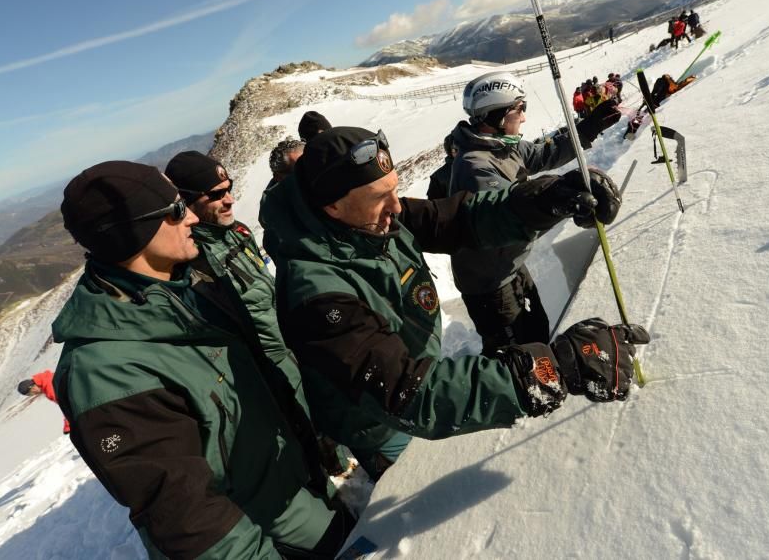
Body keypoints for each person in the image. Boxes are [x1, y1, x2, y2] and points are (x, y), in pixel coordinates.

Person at [260, 126, 647, 480]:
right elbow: (408, 393)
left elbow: (457, 218)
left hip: (418, 376)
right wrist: (549, 369)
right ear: (332, 206)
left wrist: (545, 199)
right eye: (380, 198)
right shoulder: (315, 295)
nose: (396, 208)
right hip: (382, 424)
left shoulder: (367, 220)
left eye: (395, 190)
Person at [52, 160, 353, 559]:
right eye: (176, 210)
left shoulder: (191, 286)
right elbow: (191, 522)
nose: (192, 217)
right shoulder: (104, 372)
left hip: (293, 486)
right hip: (257, 529)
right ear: (133, 233)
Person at [165, 150, 353, 478]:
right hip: (262, 368)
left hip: (290, 343)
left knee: (322, 411)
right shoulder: (191, 262)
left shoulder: (237, 231)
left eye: (229, 188)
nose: (230, 200)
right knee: (297, 433)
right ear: (188, 201)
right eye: (216, 194)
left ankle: (337, 465)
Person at [447, 71, 622, 357]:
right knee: (517, 355)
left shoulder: (502, 146)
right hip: (489, 282)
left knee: (536, 330)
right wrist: (562, 201)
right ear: (498, 114)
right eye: (519, 109)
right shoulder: (475, 167)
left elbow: (543, 154)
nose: (525, 117)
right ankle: (510, 397)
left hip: (510, 266)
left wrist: (588, 128)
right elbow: (508, 220)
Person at [425, 134, 456, 200]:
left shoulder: (479, 164)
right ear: (450, 152)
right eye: (455, 150)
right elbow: (434, 206)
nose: (461, 152)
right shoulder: (439, 177)